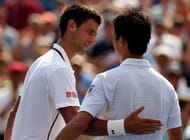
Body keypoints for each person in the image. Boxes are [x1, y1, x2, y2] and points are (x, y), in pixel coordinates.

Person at [5, 4, 162, 140]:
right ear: (72, 26)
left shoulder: (40, 62)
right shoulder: (59, 68)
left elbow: (14, 114)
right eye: (90, 32)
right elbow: (77, 123)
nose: (93, 39)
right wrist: (124, 126)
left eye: (95, 33)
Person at [56, 9, 182, 140]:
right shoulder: (167, 87)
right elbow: (176, 135)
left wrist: (122, 127)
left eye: (114, 37)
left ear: (121, 41)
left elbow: (79, 124)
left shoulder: (105, 80)